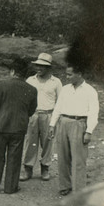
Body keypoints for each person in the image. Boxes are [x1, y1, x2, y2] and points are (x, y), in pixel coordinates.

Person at [0, 58, 37, 194]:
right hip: (19, 128)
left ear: (13, 71)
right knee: (15, 158)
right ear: (25, 74)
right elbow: (31, 110)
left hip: (0, 126)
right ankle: (10, 187)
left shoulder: (2, 84)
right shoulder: (32, 89)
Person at [48, 63, 99, 196]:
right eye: (67, 74)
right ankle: (65, 185)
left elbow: (94, 113)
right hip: (63, 122)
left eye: (70, 74)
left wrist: (89, 131)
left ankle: (79, 190)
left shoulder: (90, 91)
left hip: (79, 123)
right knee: (63, 157)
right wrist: (52, 125)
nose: (67, 76)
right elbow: (58, 108)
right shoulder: (65, 89)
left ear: (79, 74)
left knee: (78, 159)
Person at [21, 53, 62, 181]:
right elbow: (24, 100)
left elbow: (60, 102)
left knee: (48, 142)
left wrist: (54, 121)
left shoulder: (56, 82)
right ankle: (28, 169)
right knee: (30, 143)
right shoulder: (30, 80)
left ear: (49, 68)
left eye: (42, 66)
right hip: (33, 115)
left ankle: (45, 168)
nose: (39, 68)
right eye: (37, 66)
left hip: (48, 115)